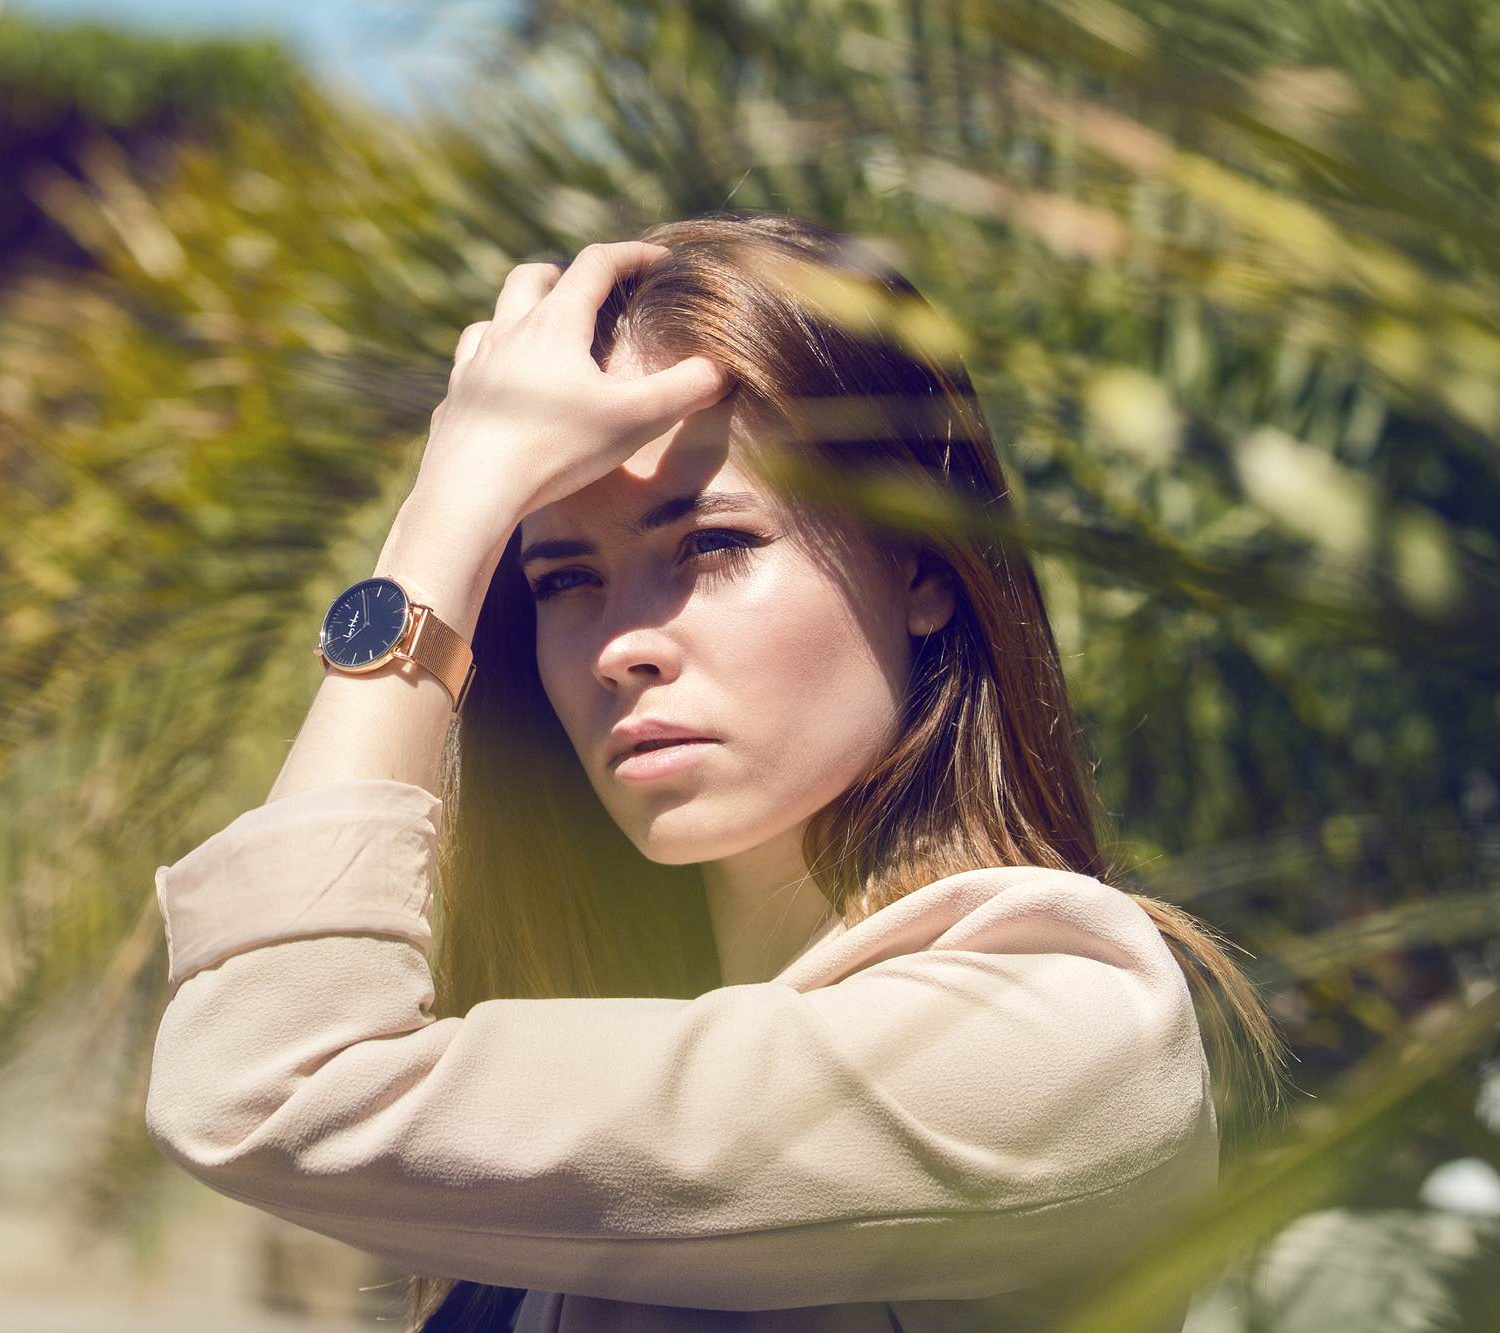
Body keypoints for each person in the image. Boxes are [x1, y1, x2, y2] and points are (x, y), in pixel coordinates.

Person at [143, 210, 1285, 1332]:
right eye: (558, 578)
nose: (619, 642)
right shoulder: (592, 1068)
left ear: (922, 571)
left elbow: (270, 1075)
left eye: (712, 544)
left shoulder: (1055, 1035)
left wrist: (441, 519)